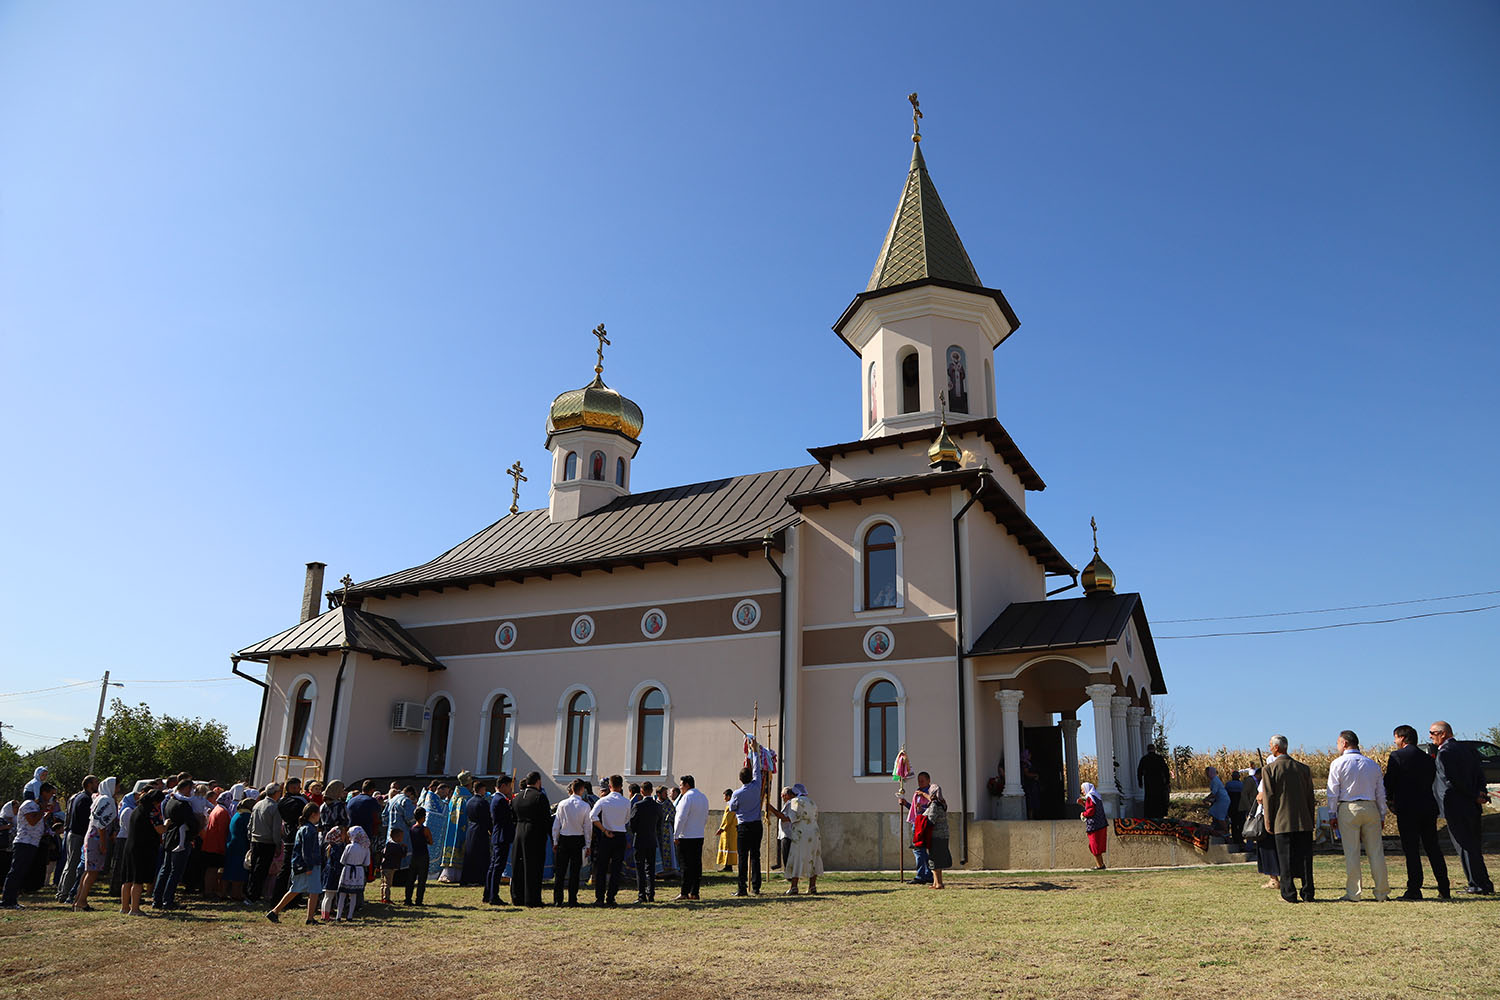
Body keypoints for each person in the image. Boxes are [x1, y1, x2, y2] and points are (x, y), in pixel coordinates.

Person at [1384, 724, 1450, 900]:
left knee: (1411, 850)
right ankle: (1444, 886)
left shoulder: (1397, 756)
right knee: (1433, 848)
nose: (1395, 741)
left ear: (1402, 738)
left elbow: (1389, 782)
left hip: (1407, 808)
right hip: (1427, 806)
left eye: (1396, 738)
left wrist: (1390, 800)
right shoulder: (1428, 758)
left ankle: (1414, 888)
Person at [1430, 720, 1493, 895]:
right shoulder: (1467, 749)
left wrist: (1474, 795)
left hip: (1456, 805)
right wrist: (1480, 793)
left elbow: (1451, 781)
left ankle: (1476, 884)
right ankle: (1484, 882)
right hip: (1472, 805)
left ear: (1443, 734)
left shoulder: (1444, 753)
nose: (1430, 736)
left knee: (1464, 846)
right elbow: (1480, 774)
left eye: (1433, 733)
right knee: (1474, 846)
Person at [1325, 729, 1389, 902]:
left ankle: (1354, 893)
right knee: (1376, 852)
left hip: (1348, 807)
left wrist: (1332, 813)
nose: (1337, 746)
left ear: (1344, 743)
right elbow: (1380, 793)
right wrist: (1382, 814)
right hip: (1371, 807)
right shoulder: (1372, 764)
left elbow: (1333, 792)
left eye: (1338, 743)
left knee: (1352, 852)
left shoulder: (1338, 763)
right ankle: (1382, 891)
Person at [1260, 734, 1316, 903]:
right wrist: (1310, 818)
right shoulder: (1303, 768)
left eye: (1270, 745)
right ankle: (1308, 893)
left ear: (1276, 747)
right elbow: (1310, 796)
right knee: (1305, 859)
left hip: (1281, 822)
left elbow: (1269, 797)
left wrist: (1268, 821)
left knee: (1285, 860)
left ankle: (1289, 893)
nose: (1270, 748)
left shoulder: (1269, 770)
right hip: (1303, 821)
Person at [268, 802, 322, 925]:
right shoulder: (309, 830)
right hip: (309, 865)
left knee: (296, 889)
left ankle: (275, 911)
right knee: (313, 890)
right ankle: (309, 918)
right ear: (313, 814)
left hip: (301, 864)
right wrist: (309, 866)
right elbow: (307, 850)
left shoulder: (304, 828)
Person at [2, 783, 53, 909]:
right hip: (24, 842)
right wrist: (42, 810)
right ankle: (7, 901)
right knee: (16, 871)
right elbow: (32, 821)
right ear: (44, 792)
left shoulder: (36, 806)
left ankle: (13, 900)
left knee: (21, 872)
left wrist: (46, 814)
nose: (52, 797)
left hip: (32, 843)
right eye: (51, 794)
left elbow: (37, 822)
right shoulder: (28, 804)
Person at [72, 776, 118, 911]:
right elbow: (101, 824)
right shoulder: (106, 800)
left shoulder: (100, 798)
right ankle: (81, 901)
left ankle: (78, 900)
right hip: (96, 838)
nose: (118, 789)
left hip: (92, 837)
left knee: (88, 871)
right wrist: (103, 843)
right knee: (92, 872)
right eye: (117, 786)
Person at [768, 783, 823, 895]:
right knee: (813, 857)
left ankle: (794, 887)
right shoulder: (812, 802)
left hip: (800, 833)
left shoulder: (795, 802)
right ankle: (812, 886)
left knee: (797, 857)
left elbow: (787, 818)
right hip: (814, 832)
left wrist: (771, 809)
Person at [154, 777, 199, 910]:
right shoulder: (183, 805)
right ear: (186, 788)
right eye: (191, 789)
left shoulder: (170, 801)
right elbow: (191, 822)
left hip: (169, 838)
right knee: (175, 871)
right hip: (180, 839)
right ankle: (168, 900)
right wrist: (196, 828)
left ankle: (157, 899)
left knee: (165, 869)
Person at [118, 787, 164, 916]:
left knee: (128, 879)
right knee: (138, 880)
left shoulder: (136, 809)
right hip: (142, 848)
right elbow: (160, 829)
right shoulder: (152, 812)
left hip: (130, 846)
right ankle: (135, 909)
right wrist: (167, 824)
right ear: (156, 801)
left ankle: (124, 907)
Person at [56, 774, 98, 904]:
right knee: (73, 865)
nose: (98, 785)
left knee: (69, 864)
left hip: (72, 833)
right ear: (89, 784)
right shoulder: (85, 799)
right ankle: (65, 894)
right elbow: (85, 819)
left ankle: (61, 891)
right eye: (96, 782)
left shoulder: (78, 796)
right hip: (78, 835)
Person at [551, 779, 592, 906]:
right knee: (575, 871)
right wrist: (588, 844)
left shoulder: (562, 804)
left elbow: (556, 824)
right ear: (582, 790)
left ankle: (558, 899)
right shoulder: (585, 806)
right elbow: (588, 827)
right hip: (578, 839)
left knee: (560, 871)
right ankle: (572, 899)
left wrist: (555, 841)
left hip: (564, 838)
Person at [510, 771, 549, 907]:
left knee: (518, 866)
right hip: (534, 833)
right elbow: (546, 818)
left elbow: (512, 817)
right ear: (538, 782)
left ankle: (517, 896)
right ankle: (532, 899)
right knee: (533, 866)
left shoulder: (517, 797)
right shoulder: (540, 797)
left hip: (519, 832)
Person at [589, 774, 629, 906]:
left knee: (602, 868)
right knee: (616, 869)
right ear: (621, 786)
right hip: (620, 834)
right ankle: (611, 897)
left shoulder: (603, 801)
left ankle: (599, 897)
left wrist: (604, 829)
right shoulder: (626, 802)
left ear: (609, 786)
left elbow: (592, 816)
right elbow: (626, 819)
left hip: (607, 835)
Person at [728, 765, 764, 897]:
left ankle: (742, 888)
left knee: (742, 858)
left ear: (740, 779)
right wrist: (754, 754)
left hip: (743, 826)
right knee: (755, 856)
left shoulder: (737, 793)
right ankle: (756, 887)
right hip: (756, 825)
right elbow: (757, 770)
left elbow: (732, 808)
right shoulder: (757, 786)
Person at [1241, 769, 1280, 889]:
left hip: (1265, 817)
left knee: (1267, 848)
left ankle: (1273, 879)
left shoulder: (1266, 780)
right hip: (1277, 817)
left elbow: (1260, 798)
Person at [672, 774, 708, 902]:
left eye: (681, 785)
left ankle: (684, 892)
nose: (680, 788)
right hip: (698, 835)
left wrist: (676, 834)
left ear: (687, 785)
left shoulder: (686, 797)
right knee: (696, 865)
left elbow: (681, 817)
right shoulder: (703, 797)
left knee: (685, 865)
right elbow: (705, 817)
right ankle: (694, 892)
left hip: (686, 836)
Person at [246, 782, 284, 903]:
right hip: (267, 842)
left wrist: (250, 837)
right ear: (276, 793)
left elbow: (250, 825)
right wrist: (278, 844)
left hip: (255, 840)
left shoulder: (257, 804)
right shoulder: (275, 807)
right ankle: (254, 896)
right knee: (261, 870)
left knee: (254, 868)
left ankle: (250, 893)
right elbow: (276, 829)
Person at [628, 780, 662, 903]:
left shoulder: (638, 806)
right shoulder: (658, 806)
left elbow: (632, 824)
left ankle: (641, 894)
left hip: (640, 839)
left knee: (640, 868)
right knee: (651, 868)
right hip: (652, 839)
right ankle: (651, 894)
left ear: (641, 791)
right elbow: (659, 824)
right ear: (651, 791)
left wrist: (636, 832)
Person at [897, 771, 933, 885]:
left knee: (919, 850)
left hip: (923, 824)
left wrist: (922, 808)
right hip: (916, 823)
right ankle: (927, 874)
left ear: (928, 780)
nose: (920, 783)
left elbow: (932, 808)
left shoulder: (929, 792)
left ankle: (921, 875)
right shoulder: (917, 793)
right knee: (920, 850)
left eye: (922, 781)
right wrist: (905, 803)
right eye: (919, 781)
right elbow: (914, 809)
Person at [440, 772, 475, 883]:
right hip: (464, 827)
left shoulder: (455, 796)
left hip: (453, 827)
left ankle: (450, 874)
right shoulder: (467, 798)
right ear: (469, 783)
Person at [483, 776, 512, 904]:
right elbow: (507, 818)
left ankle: (488, 893)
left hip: (497, 835)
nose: (510, 789)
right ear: (503, 786)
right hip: (502, 835)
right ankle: (493, 896)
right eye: (509, 786)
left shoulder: (497, 798)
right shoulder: (501, 800)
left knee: (493, 866)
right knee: (498, 867)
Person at [335, 826, 371, 921]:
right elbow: (367, 863)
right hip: (359, 871)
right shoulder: (366, 848)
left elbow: (342, 860)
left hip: (348, 869)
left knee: (342, 894)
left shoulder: (349, 847)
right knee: (354, 894)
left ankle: (338, 916)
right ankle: (350, 916)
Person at [462, 779, 493, 888]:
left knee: (470, 855)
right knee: (481, 856)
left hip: (470, 829)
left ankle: (468, 878)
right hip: (481, 830)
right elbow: (487, 818)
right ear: (481, 789)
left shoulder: (469, 801)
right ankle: (479, 878)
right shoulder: (483, 802)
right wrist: (491, 830)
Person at [417, 782, 449, 881]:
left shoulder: (435, 798)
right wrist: (447, 804)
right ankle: (430, 873)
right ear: (440, 790)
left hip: (432, 830)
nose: (446, 795)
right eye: (445, 792)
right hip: (433, 830)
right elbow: (443, 811)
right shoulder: (432, 797)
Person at [224, 797, 252, 902]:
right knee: (239, 870)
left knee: (229, 869)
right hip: (241, 845)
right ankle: (236, 894)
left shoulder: (237, 814)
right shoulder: (247, 816)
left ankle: (224, 892)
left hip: (231, 843)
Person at [924, 784, 952, 888]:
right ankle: (936, 883)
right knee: (937, 860)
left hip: (936, 836)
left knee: (934, 860)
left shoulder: (934, 804)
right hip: (944, 835)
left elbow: (931, 820)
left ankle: (939, 883)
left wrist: (922, 820)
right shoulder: (942, 803)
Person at [405, 807, 432, 905]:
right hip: (423, 855)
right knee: (421, 880)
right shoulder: (425, 829)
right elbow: (431, 841)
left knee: (410, 879)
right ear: (423, 817)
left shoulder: (412, 829)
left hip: (414, 855)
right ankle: (419, 900)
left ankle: (408, 899)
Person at [1136, 745, 1171, 819]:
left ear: (1147, 750)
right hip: (1159, 781)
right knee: (1159, 798)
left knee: (1149, 797)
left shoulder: (1144, 759)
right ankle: (1160, 814)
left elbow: (1139, 771)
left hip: (1149, 781)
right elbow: (1166, 770)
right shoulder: (1159, 758)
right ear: (1154, 749)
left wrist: (1140, 782)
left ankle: (1150, 814)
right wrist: (1167, 781)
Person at [1079, 781, 1107, 869]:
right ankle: (1101, 864)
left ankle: (1100, 865)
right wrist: (1083, 804)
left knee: (1094, 845)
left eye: (1083, 789)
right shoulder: (1096, 797)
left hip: (1094, 826)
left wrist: (1083, 814)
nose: (1082, 791)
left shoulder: (1089, 797)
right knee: (1096, 845)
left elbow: (1091, 811)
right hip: (1101, 824)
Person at [319, 826, 345, 919]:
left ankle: (324, 914)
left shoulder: (330, 846)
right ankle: (326, 915)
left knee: (327, 896)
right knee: (329, 896)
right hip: (333, 874)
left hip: (328, 873)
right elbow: (337, 862)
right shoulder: (337, 848)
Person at [346, 780, 380, 845]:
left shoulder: (351, 800)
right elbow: (377, 815)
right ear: (372, 790)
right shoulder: (371, 801)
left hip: (351, 833)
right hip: (365, 834)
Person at [656, 786, 678, 877]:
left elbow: (673, 814)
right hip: (656, 830)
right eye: (665, 793)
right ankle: (659, 869)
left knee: (668, 850)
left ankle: (668, 868)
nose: (666, 795)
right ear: (659, 794)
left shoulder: (668, 803)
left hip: (666, 830)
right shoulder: (655, 803)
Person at [1203, 767, 1230, 836]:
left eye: (1207, 772)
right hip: (1220, 799)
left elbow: (1214, 793)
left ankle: (1226, 832)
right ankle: (1217, 828)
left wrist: (1206, 799)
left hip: (1223, 800)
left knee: (1220, 817)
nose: (1206, 774)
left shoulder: (1215, 780)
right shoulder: (1214, 780)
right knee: (1213, 811)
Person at [716, 790, 738, 872]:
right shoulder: (731, 805)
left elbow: (727, 818)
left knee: (728, 847)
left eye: (725, 796)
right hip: (729, 830)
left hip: (729, 830)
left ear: (729, 796)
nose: (724, 798)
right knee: (726, 847)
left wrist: (722, 828)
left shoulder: (730, 806)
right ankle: (727, 865)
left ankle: (728, 866)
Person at [1225, 770, 1246, 847]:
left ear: (1232, 777)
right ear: (1239, 777)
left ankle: (1234, 838)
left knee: (1233, 823)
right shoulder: (1242, 785)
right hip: (1240, 806)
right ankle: (1240, 838)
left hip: (1231, 806)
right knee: (1241, 823)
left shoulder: (1228, 784)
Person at [776, 788, 793, 872]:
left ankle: (789, 875)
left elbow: (785, 818)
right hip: (785, 834)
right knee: (786, 857)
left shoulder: (790, 804)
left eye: (783, 795)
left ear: (787, 795)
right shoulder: (787, 804)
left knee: (787, 857)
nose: (781, 796)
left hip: (787, 834)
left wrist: (772, 809)